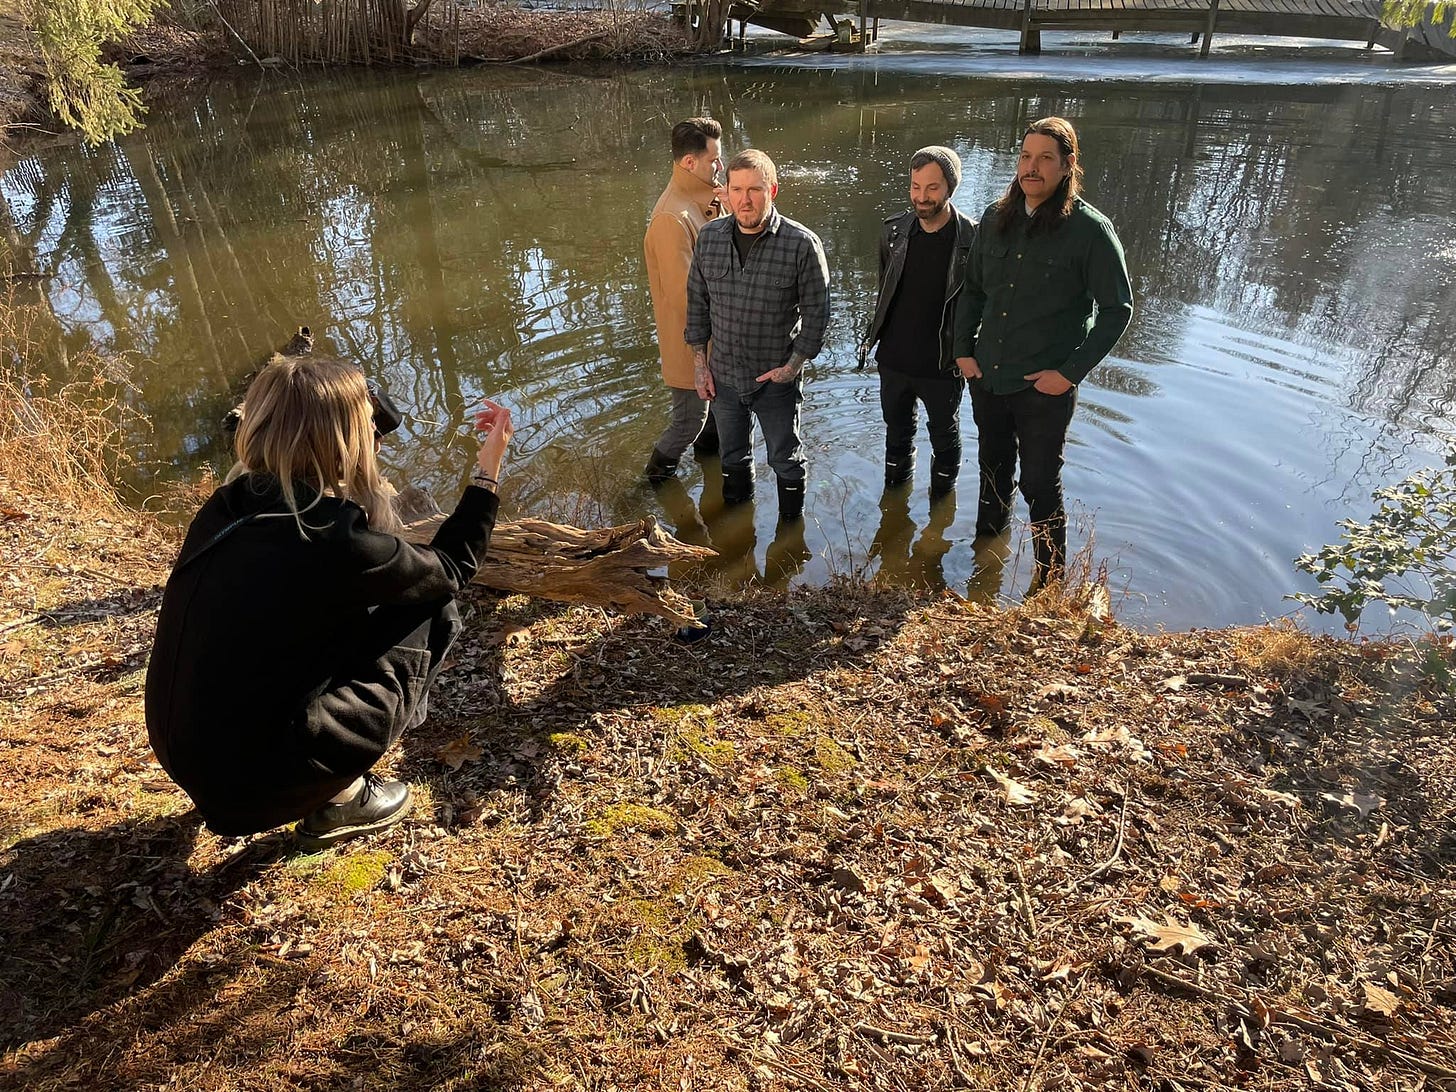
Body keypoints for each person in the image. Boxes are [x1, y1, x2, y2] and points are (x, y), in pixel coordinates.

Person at [145, 355, 513, 848]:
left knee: (348, 617)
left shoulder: (226, 507)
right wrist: (488, 471)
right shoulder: (328, 536)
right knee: (432, 605)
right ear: (343, 440)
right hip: (256, 785)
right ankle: (343, 794)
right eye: (366, 426)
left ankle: (313, 771)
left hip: (186, 754)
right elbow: (450, 568)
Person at [953, 117, 1133, 589]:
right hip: (988, 376)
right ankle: (985, 567)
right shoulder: (995, 219)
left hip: (1044, 387)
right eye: (1026, 157)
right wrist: (963, 352)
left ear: (1067, 164)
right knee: (992, 474)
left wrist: (1070, 373)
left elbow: (1118, 310)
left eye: (1045, 158)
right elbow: (971, 291)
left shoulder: (1090, 232)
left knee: (1038, 484)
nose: (1031, 168)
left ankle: (1048, 583)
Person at [685, 148, 830, 523]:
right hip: (724, 379)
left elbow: (817, 317)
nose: (744, 200)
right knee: (732, 459)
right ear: (727, 192)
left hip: (775, 381)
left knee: (786, 460)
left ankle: (790, 539)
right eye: (737, 189)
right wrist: (700, 367)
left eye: (754, 189)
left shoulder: (802, 245)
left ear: (773, 190)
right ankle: (737, 544)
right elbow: (697, 306)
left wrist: (792, 367)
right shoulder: (710, 238)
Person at [861, 146, 977, 499]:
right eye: (915, 187)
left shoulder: (973, 240)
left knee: (945, 438)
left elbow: (979, 303)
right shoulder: (893, 232)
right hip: (894, 359)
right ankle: (894, 508)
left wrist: (966, 350)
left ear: (950, 188)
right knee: (896, 438)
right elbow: (886, 288)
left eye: (932, 188)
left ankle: (942, 509)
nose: (921, 197)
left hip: (943, 363)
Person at [642, 117, 726, 484]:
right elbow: (684, 298)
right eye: (714, 160)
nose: (720, 167)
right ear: (689, 163)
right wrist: (702, 358)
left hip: (715, 341)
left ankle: (713, 473)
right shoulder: (671, 219)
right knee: (690, 420)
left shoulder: (704, 202)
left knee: (717, 419)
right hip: (690, 345)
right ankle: (651, 485)